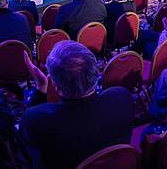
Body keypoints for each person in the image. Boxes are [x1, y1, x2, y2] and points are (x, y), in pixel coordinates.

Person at [20, 41, 134, 169]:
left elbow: (28, 134)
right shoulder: (122, 97)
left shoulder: (37, 119)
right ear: (96, 72)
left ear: (55, 85)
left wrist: (41, 87)